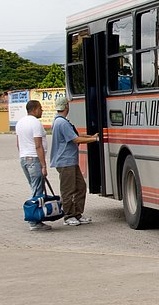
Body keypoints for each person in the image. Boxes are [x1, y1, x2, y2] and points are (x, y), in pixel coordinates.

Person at [50, 96, 99, 226]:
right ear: (66, 106)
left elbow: (76, 135)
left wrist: (91, 136)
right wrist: (94, 140)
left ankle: (77, 214)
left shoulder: (60, 121)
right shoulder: (62, 123)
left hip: (70, 162)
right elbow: (76, 140)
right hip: (65, 162)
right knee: (68, 190)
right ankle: (69, 216)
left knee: (81, 187)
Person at [16, 100, 51, 231]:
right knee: (37, 191)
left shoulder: (20, 122)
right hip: (34, 159)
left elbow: (18, 144)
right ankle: (34, 221)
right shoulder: (35, 123)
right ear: (35, 109)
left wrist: (23, 156)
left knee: (34, 188)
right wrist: (43, 165)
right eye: (40, 108)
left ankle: (35, 218)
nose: (42, 111)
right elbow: (38, 145)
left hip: (24, 158)